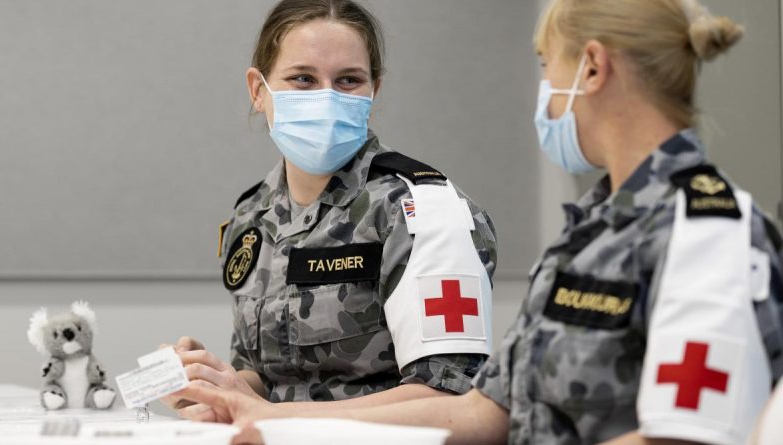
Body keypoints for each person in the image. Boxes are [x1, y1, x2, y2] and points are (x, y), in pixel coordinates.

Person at [173, 0, 783, 444]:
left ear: (590, 69)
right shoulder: (588, 234)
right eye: (302, 79)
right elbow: (487, 412)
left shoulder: (710, 231)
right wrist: (254, 408)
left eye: (548, 64)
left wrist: (275, 421)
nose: (543, 89)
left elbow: (694, 437)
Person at [160, 0, 499, 419]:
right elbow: (267, 380)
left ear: (375, 88)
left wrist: (271, 417)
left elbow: (450, 396)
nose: (326, 98)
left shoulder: (420, 211)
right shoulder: (252, 216)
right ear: (258, 90)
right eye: (303, 78)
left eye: (348, 80)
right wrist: (212, 384)